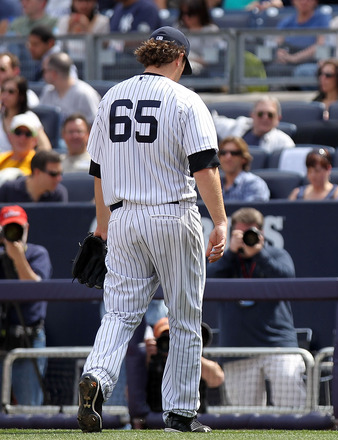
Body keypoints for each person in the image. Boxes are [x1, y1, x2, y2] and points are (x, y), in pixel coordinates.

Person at [78, 26, 228, 434]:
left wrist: (103, 228)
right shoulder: (184, 99)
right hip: (171, 213)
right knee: (184, 316)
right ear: (178, 58)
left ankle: (97, 376)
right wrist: (220, 220)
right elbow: (204, 166)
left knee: (120, 313)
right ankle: (179, 413)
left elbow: (98, 172)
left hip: (123, 216)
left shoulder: (110, 97)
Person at [206, 207, 306, 408]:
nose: (246, 238)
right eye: (241, 233)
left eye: (251, 233)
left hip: (278, 345)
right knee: (244, 418)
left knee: (293, 407)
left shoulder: (276, 254)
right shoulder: (226, 261)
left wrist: (260, 254)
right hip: (237, 349)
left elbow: (287, 280)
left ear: (262, 233)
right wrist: (230, 253)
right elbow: (207, 280)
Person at [0, 205, 52, 406]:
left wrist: (18, 257)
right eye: (9, 229)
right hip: (2, 334)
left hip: (28, 338)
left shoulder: (38, 253)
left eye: (18, 228)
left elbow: (36, 289)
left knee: (28, 409)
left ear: (26, 227)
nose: (15, 235)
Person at [144, 317, 224, 416]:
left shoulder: (193, 357)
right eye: (168, 337)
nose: (173, 343)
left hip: (195, 418)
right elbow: (130, 394)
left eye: (177, 337)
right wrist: (147, 358)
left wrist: (188, 353)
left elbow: (217, 379)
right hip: (158, 420)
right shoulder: (151, 361)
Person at [212, 96, 296, 153]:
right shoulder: (239, 125)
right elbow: (212, 121)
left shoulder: (284, 143)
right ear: (252, 115)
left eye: (270, 115)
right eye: (260, 114)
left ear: (278, 119)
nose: (265, 118)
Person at [39, 52, 101, 126]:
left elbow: (96, 126)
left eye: (44, 71)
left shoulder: (84, 93)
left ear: (53, 74)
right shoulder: (47, 91)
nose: (42, 75)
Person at [1, 76, 51, 152]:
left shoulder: (30, 118)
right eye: (3, 91)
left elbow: (45, 147)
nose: (5, 95)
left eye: (11, 92)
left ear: (21, 96)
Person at [0, 150, 67, 202]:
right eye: (53, 174)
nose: (59, 179)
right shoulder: (8, 190)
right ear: (37, 172)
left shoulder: (58, 194)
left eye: (60, 173)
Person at [176, 0, 220, 76]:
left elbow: (209, 59)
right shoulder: (178, 28)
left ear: (200, 13)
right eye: (183, 14)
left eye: (190, 14)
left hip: (202, 73)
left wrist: (188, 59)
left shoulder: (211, 30)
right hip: (178, 67)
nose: (185, 17)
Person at [219, 136, 270, 202]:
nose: (228, 157)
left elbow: (251, 211)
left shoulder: (254, 183)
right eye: (223, 153)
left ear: (244, 159)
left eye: (234, 153)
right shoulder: (215, 184)